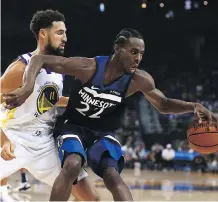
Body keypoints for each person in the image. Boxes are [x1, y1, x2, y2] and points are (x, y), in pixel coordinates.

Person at [3, 28, 217, 201]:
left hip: (102, 132)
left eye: (141, 54)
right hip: (72, 126)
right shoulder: (88, 67)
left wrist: (193, 105)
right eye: (133, 52)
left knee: (112, 175)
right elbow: (39, 60)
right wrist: (27, 87)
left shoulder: (139, 80)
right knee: (73, 165)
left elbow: (163, 104)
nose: (138, 58)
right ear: (118, 49)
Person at [0, 9, 98, 201]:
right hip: (14, 139)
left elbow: (48, 98)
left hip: (45, 144)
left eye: (65, 33)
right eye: (60, 32)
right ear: (43, 34)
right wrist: (3, 139)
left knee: (90, 197)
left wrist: (77, 102)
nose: (65, 38)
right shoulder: (21, 67)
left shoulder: (58, 68)